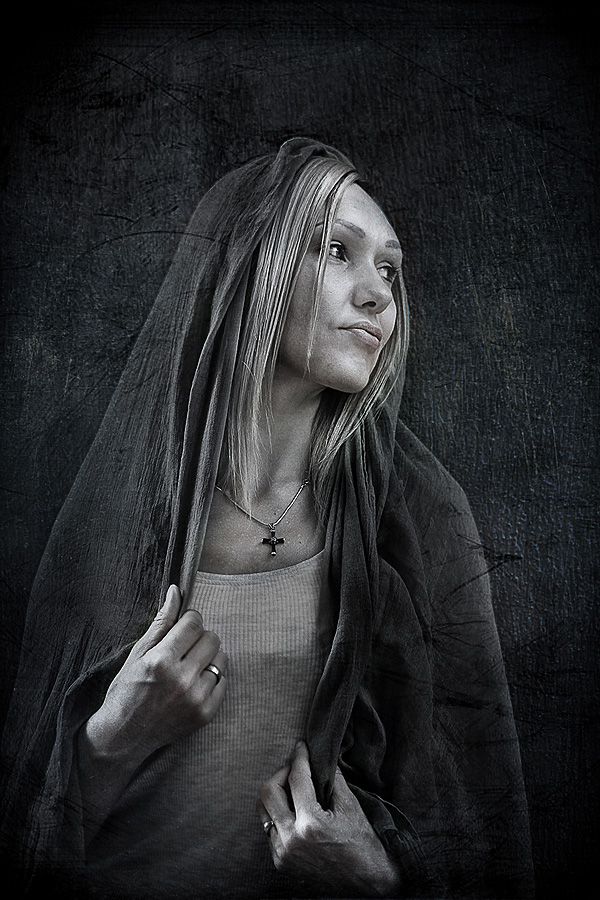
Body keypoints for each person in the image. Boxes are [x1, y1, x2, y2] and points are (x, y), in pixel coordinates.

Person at [1, 138, 534, 899]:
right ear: (251, 266)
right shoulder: (115, 510)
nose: (378, 294)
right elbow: (25, 830)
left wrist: (378, 881)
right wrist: (110, 742)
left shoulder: (419, 519)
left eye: (389, 269)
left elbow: (475, 826)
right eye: (337, 251)